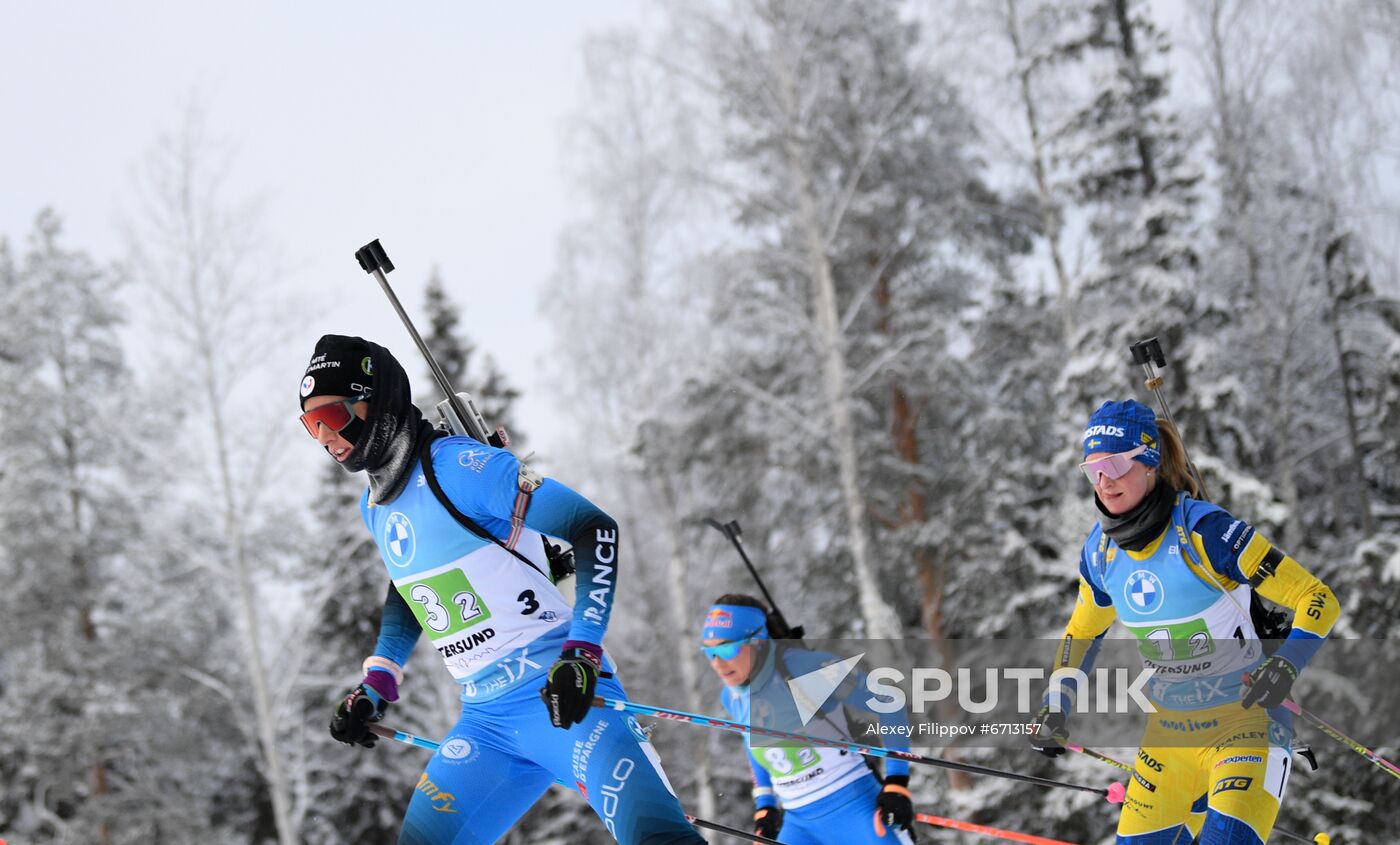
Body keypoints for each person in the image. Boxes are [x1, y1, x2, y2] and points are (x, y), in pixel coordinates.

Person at [299, 334, 705, 845]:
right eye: (310, 425)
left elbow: (593, 528)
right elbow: (408, 587)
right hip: (486, 724)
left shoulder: (460, 467)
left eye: (331, 417)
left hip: (565, 700)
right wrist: (379, 679)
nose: (324, 437)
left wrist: (583, 651)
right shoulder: (376, 506)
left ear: (374, 400)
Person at [1029, 400, 1339, 845]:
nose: (1104, 481)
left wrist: (1285, 665)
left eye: (1115, 464)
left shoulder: (1205, 533)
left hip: (1246, 727)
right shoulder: (1100, 554)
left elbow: (1317, 599)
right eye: (1093, 468)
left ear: (1150, 460)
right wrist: (1055, 702)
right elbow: (1082, 632)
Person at [700, 594, 918, 845]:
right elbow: (754, 744)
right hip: (799, 824)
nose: (717, 663)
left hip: (855, 810)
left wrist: (897, 780)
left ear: (758, 641)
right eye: (710, 652)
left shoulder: (803, 670)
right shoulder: (733, 697)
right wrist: (766, 805)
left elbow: (889, 703)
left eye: (727, 648)